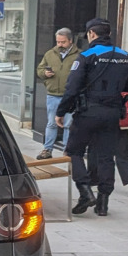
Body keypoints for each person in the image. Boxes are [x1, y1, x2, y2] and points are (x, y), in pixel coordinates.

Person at [55, 18, 128, 217]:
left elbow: (72, 88)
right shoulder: (125, 56)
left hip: (87, 112)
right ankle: (103, 203)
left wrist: (61, 111)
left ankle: (85, 191)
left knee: (73, 152)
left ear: (91, 34)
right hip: (112, 114)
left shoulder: (86, 56)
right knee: (106, 156)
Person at [35, 28, 82, 160]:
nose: (60, 45)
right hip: (53, 94)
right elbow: (39, 69)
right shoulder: (50, 54)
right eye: (58, 42)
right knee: (51, 123)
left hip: (70, 96)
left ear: (70, 41)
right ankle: (47, 149)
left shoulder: (79, 55)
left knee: (68, 124)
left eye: (63, 42)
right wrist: (45, 73)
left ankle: (67, 150)